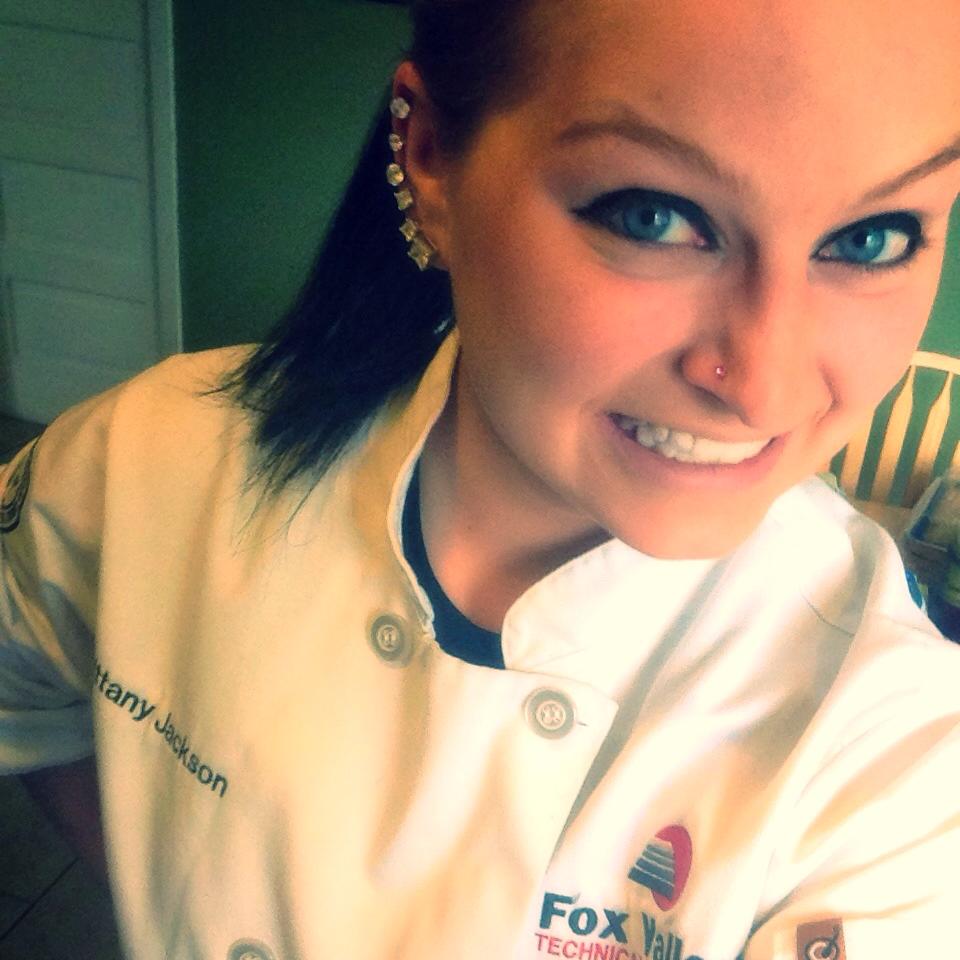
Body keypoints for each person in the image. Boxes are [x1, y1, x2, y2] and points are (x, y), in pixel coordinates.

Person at [2, 0, 959, 957]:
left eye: (872, 238)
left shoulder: (897, 762)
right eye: (654, 216)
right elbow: (27, 694)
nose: (763, 386)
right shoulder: (144, 463)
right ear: (430, 159)